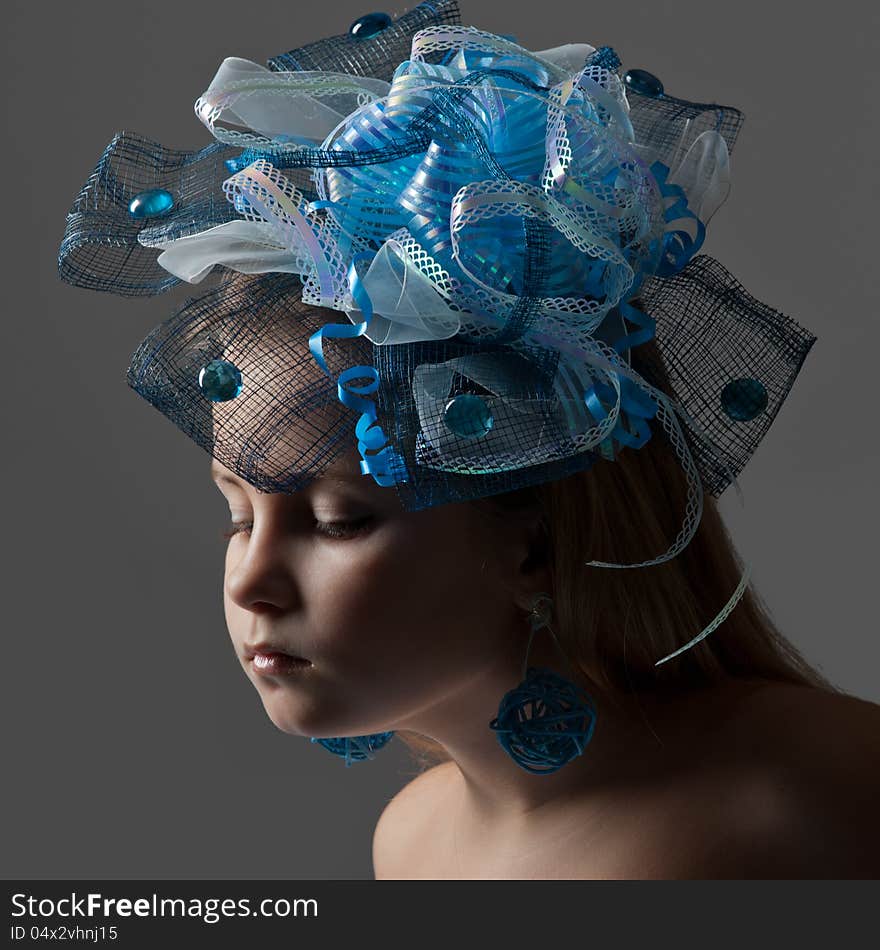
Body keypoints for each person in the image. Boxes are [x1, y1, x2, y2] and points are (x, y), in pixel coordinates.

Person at [58, 1, 880, 878]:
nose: (251, 583)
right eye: (237, 514)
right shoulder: (413, 845)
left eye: (338, 520)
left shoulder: (811, 805)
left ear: (536, 540)